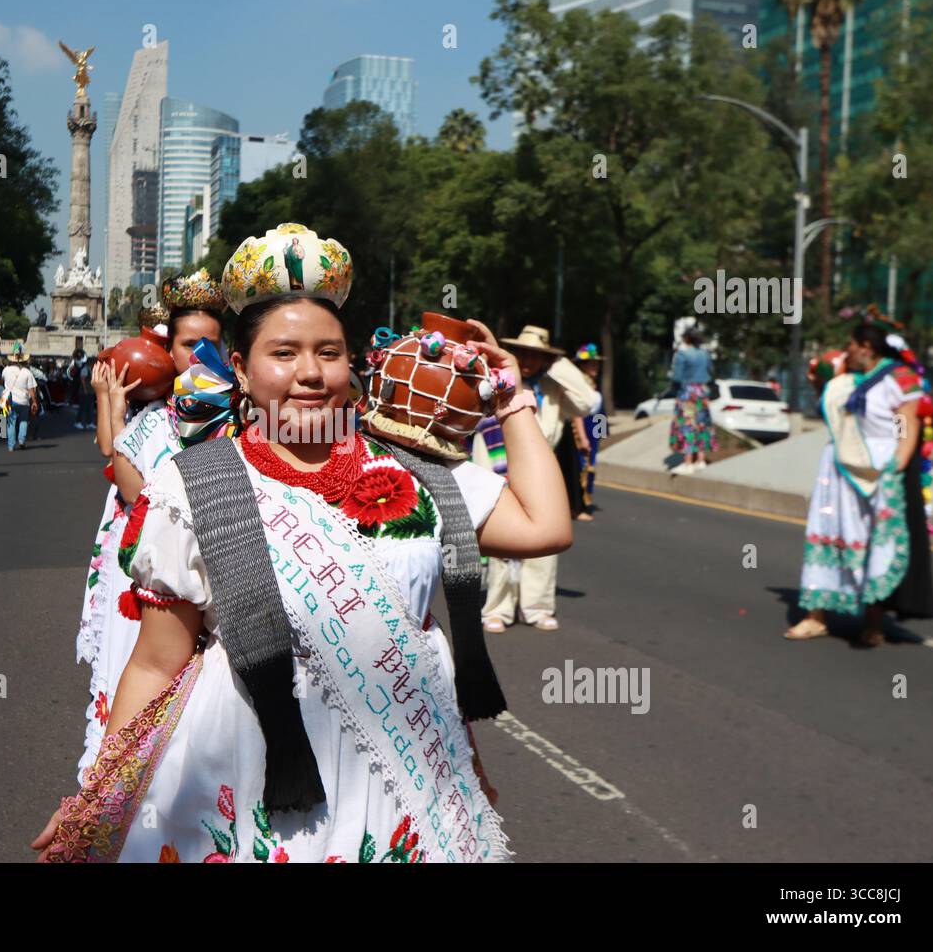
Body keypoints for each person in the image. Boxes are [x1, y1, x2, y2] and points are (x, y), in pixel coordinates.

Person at [34, 223, 572, 863]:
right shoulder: (192, 486)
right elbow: (156, 662)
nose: (311, 374)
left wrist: (512, 401)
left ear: (354, 363)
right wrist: (99, 799)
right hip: (250, 774)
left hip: (405, 783)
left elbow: (545, 526)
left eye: (330, 352)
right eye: (284, 353)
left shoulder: (416, 475)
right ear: (240, 366)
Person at [76, 270, 226, 780]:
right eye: (189, 344)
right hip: (158, 572)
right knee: (146, 677)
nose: (200, 354)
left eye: (213, 344)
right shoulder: (150, 423)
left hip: (222, 581)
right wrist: (112, 405)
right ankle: (114, 787)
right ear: (168, 350)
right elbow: (134, 492)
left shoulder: (247, 420)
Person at [786, 322, 933, 646]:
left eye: (850, 344)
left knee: (870, 542)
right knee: (830, 533)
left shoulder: (898, 377)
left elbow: (905, 421)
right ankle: (816, 617)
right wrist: (819, 384)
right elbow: (836, 413)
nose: (847, 350)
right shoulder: (849, 379)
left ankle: (873, 623)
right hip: (838, 469)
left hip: (875, 470)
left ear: (866, 346)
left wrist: (896, 463)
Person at [475, 326, 596, 633]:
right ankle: (498, 607)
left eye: (537, 354)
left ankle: (537, 604)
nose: (529, 359)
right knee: (502, 536)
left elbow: (588, 401)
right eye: (523, 352)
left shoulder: (553, 388)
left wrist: (559, 365)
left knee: (544, 540)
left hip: (539, 469)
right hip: (494, 461)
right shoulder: (492, 380)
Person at [669, 328, 714, 474]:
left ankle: (688, 462)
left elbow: (676, 377)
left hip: (688, 394)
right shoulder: (705, 355)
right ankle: (701, 460)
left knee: (688, 425)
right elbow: (711, 372)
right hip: (701, 392)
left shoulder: (682, 355)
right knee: (702, 425)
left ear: (687, 339)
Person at [571, 344, 606, 521]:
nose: (595, 367)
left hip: (593, 431)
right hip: (582, 430)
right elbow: (577, 413)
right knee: (579, 467)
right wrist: (583, 437)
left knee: (590, 467)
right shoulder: (578, 385)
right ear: (582, 366)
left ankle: (584, 502)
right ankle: (577, 506)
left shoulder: (594, 385)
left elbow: (601, 412)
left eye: (596, 364)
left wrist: (600, 436)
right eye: (591, 363)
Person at [1, 344, 38, 452]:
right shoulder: (27, 372)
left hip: (8, 399)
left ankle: (11, 446)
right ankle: (21, 440)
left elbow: (3, 381)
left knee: (11, 423)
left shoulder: (6, 370)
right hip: (23, 400)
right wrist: (34, 402)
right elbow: (32, 389)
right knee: (23, 421)